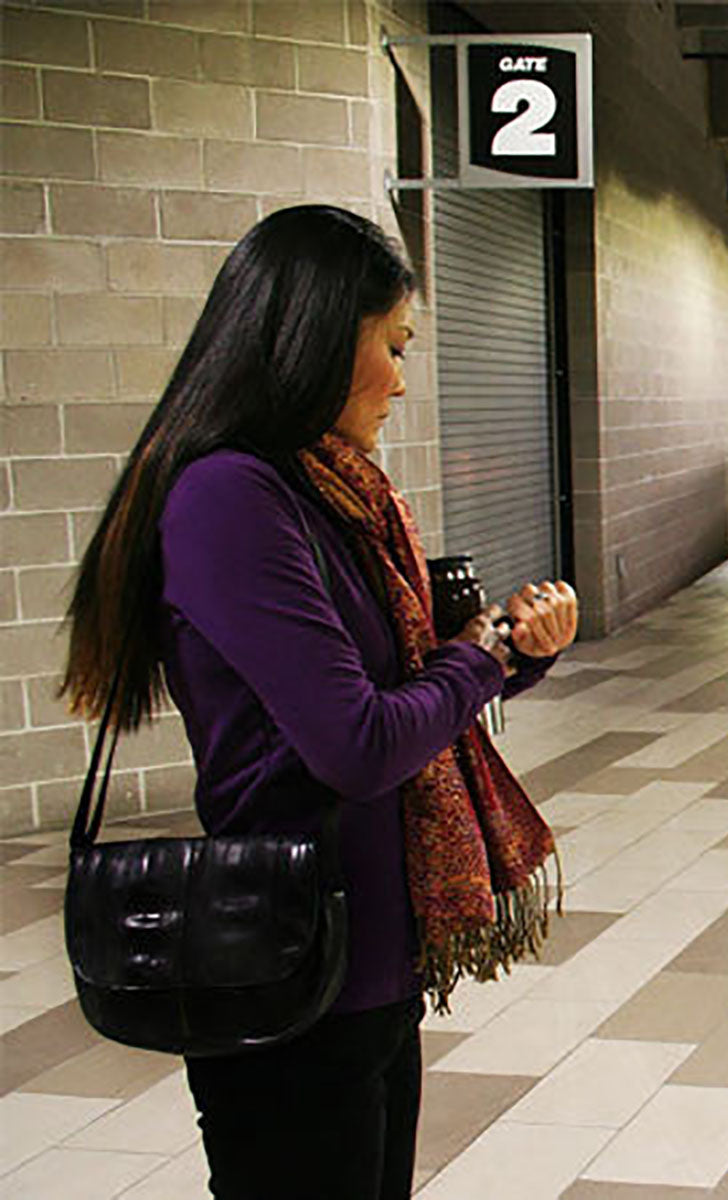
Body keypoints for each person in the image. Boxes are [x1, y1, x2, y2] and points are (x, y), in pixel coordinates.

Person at [60, 204, 577, 1200]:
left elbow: (399, 690)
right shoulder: (230, 498)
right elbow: (356, 742)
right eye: (390, 345)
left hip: (371, 957)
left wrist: (509, 655)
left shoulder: (334, 494)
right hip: (290, 963)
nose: (399, 376)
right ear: (310, 339)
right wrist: (479, 658)